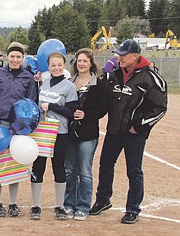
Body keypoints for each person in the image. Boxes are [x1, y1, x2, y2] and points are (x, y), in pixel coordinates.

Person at [89, 39, 167, 224]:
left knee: (134, 171)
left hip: (134, 134)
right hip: (113, 130)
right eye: (118, 55)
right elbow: (103, 97)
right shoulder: (115, 74)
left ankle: (133, 209)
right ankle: (103, 200)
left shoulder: (150, 78)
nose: (119, 58)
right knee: (105, 165)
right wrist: (103, 77)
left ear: (135, 56)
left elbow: (160, 108)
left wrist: (138, 127)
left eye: (123, 55)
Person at [0, 42, 37, 217]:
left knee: (16, 164)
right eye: (12, 56)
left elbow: (31, 103)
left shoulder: (28, 77)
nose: (15, 59)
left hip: (18, 127)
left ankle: (13, 203)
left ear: (23, 58)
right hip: (0, 124)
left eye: (19, 57)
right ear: (7, 56)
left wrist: (22, 125)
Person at [30, 52, 78, 221]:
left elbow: (71, 113)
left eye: (59, 65)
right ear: (48, 66)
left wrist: (51, 106)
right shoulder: (43, 83)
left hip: (60, 132)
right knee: (38, 167)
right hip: (42, 131)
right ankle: (36, 205)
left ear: (63, 66)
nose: (56, 68)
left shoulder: (69, 86)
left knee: (59, 167)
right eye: (53, 65)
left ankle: (60, 206)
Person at [64, 48, 109, 221]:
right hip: (70, 133)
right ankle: (69, 204)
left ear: (91, 63)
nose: (81, 64)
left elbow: (103, 108)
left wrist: (87, 115)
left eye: (85, 61)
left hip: (88, 134)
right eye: (79, 61)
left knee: (84, 171)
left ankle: (83, 206)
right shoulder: (69, 82)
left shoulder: (99, 83)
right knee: (69, 171)